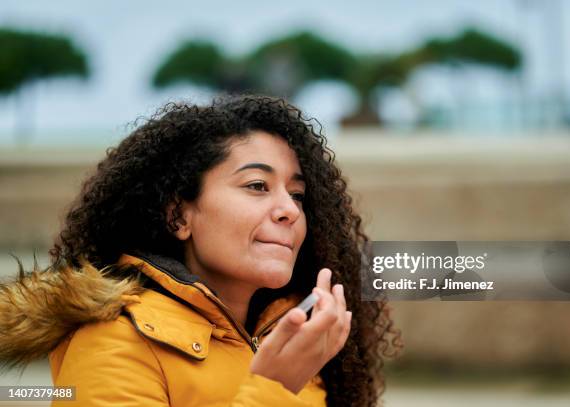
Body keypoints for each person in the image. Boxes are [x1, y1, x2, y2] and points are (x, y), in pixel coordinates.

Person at [0, 94, 402, 406]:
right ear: (178, 217)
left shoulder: (295, 338)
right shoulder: (114, 342)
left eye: (297, 195)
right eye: (257, 186)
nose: (288, 211)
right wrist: (275, 388)